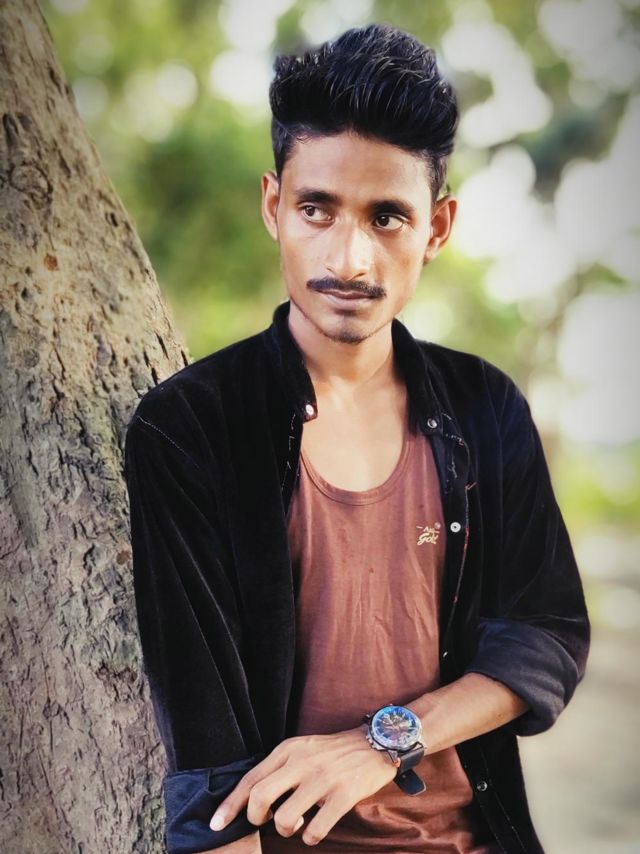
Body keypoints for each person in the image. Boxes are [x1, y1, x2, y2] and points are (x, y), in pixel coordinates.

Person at [123, 23, 590, 854]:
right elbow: (210, 784)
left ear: (436, 228)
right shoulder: (191, 428)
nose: (350, 259)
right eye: (317, 209)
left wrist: (386, 739)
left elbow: (546, 634)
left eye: (387, 218)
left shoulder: (485, 406)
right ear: (273, 206)